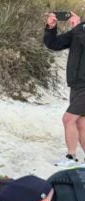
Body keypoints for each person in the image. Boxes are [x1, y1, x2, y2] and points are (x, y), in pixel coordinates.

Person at [44, 12, 85, 168]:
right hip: (76, 84)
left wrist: (77, 28)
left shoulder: (79, 29)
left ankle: (71, 157)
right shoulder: (81, 28)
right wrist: (51, 27)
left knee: (68, 119)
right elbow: (54, 43)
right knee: (80, 123)